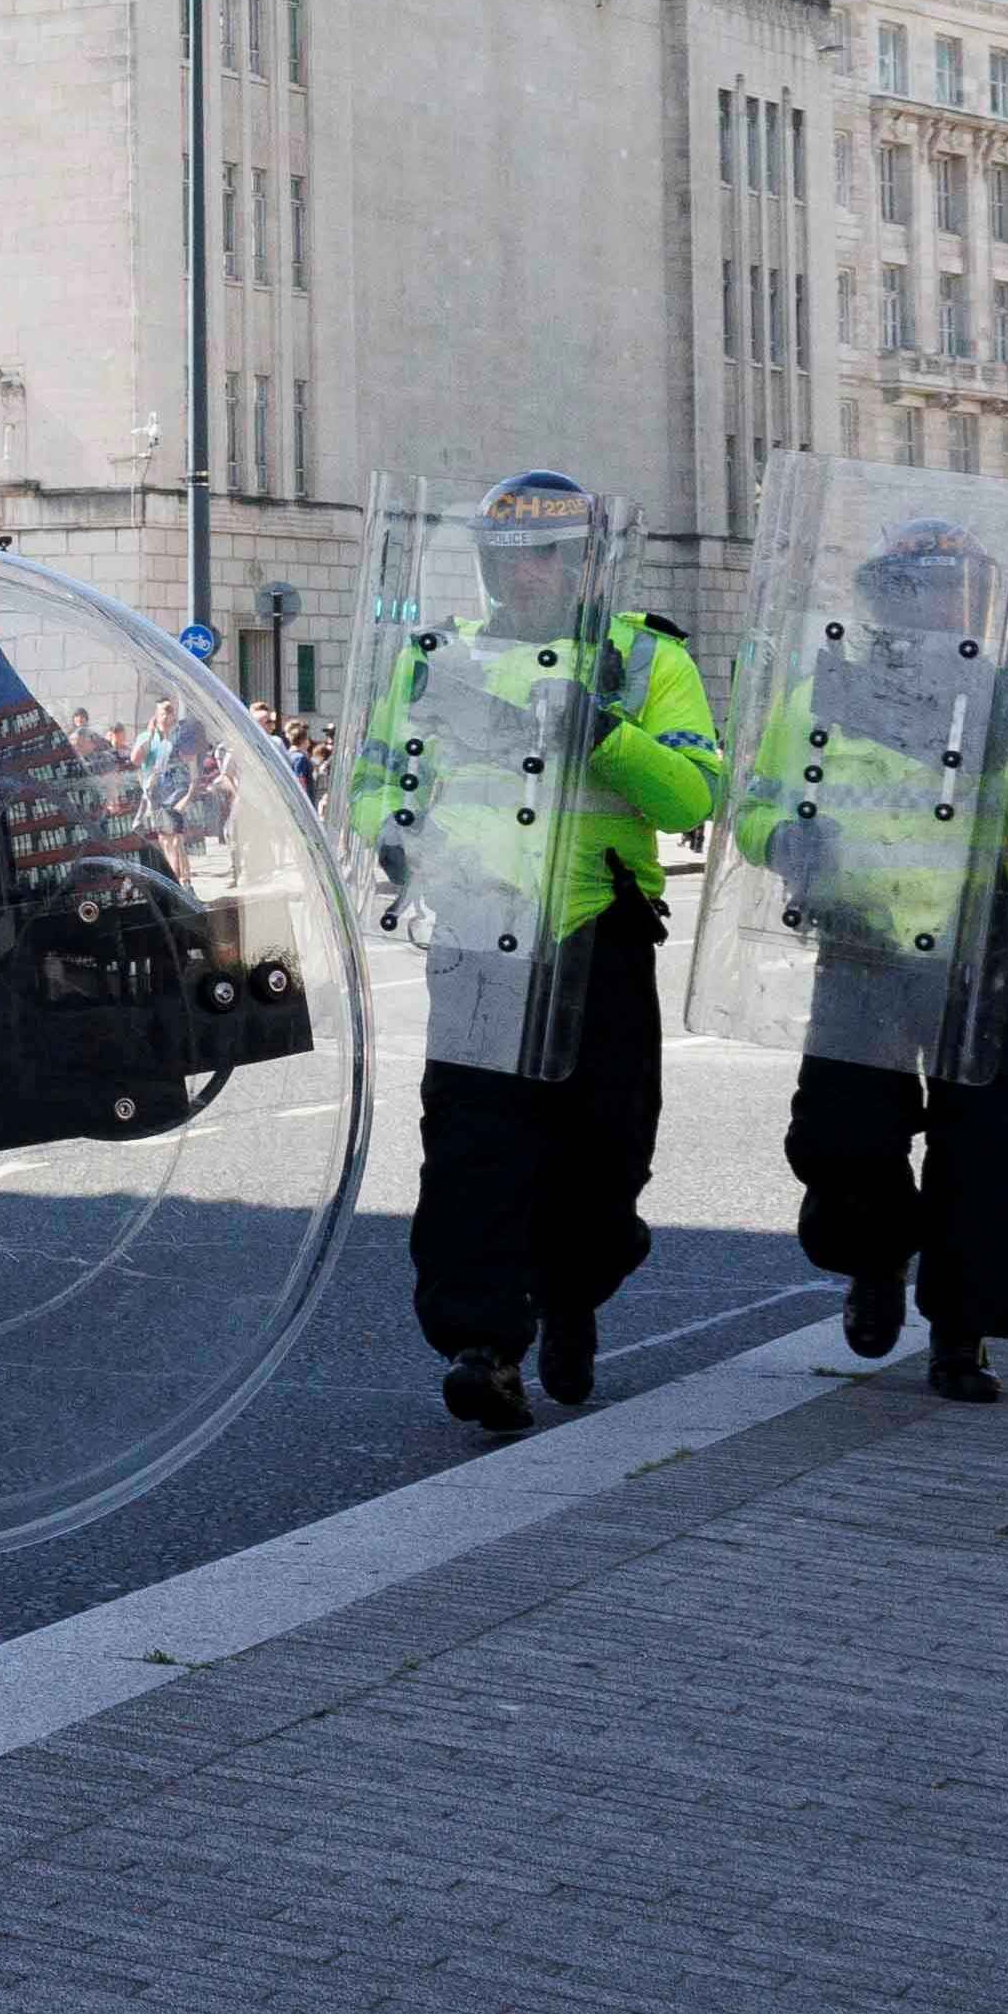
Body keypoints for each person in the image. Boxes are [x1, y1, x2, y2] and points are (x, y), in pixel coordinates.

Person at [347, 472, 723, 1429]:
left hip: (598, 926)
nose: (525, 572)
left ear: (586, 562)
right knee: (473, 1145)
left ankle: (572, 1297)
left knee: (605, 1150)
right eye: (507, 555)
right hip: (477, 928)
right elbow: (377, 777)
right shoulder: (433, 657)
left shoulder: (642, 657)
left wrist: (605, 733)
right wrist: (391, 832)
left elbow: (691, 800)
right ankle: (484, 1347)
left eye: (546, 553)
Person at [763, 516, 1008, 1403]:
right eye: (921, 586)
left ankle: (962, 1331)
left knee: (988, 1153)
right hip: (859, 937)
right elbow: (759, 801)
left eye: (958, 586)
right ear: (884, 596)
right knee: (841, 1138)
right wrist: (787, 840)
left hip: (976, 945)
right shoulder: (824, 692)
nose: (942, 603)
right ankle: (874, 1260)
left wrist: (1007, 751)